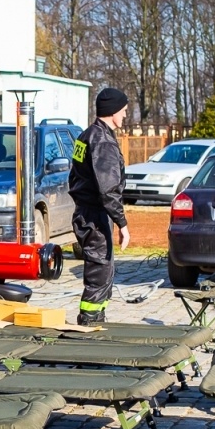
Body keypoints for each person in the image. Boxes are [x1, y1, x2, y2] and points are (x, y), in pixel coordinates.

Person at [68, 87, 131, 324]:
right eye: (123, 110)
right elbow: (108, 190)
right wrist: (122, 224)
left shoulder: (86, 136)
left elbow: (74, 177)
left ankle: (96, 319)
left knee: (102, 270)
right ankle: (90, 321)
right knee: (100, 272)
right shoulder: (103, 142)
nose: (125, 115)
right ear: (113, 111)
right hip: (95, 216)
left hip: (87, 212)